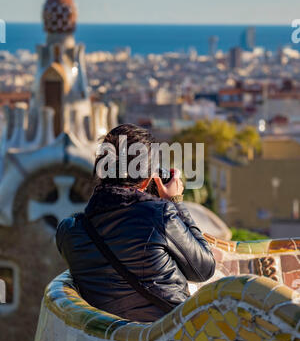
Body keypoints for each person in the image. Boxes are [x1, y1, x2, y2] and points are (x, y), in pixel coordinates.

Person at [56, 124, 215, 322]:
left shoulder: (69, 233)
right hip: (168, 336)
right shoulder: (160, 216)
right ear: (147, 179)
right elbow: (204, 269)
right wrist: (175, 202)